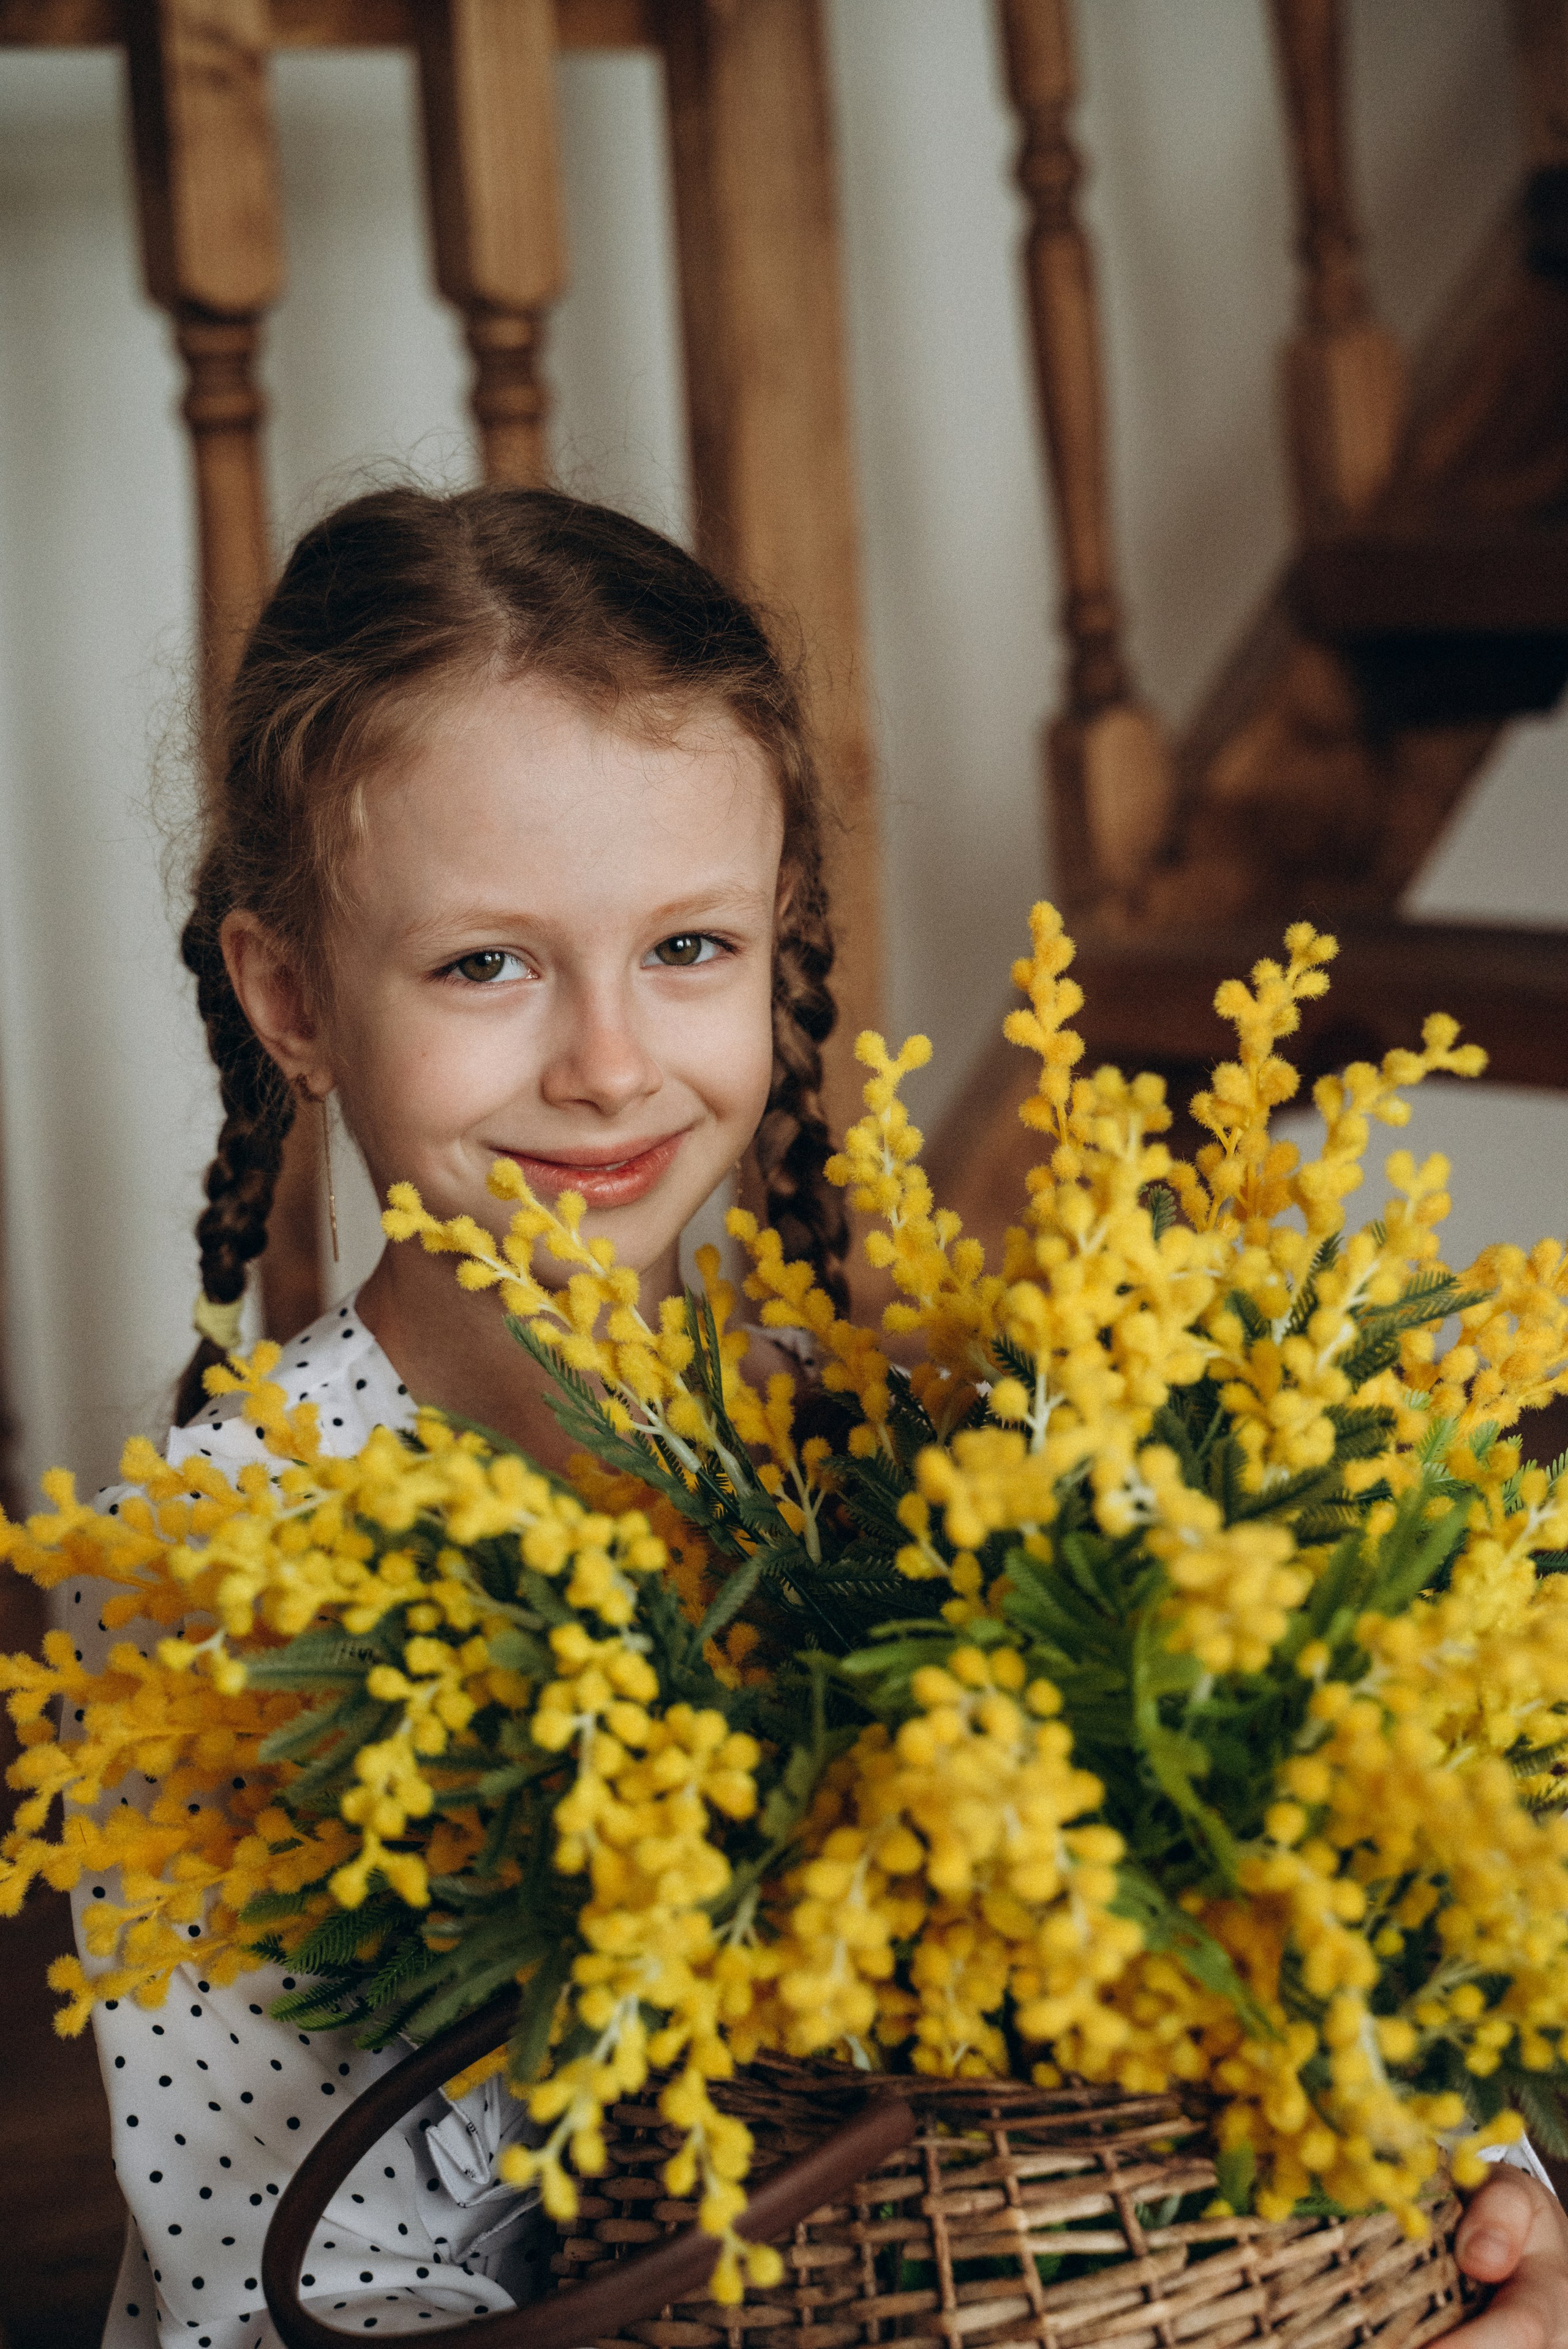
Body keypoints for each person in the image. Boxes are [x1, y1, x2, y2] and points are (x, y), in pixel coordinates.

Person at [62, 486, 1568, 2348]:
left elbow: (1247, 1939)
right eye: (487, 963)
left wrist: (1496, 2204)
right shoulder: (215, 1585)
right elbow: (284, 2290)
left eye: (687, 947)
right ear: (292, 997)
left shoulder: (919, 1456)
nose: (610, 1060)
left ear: (781, 937)